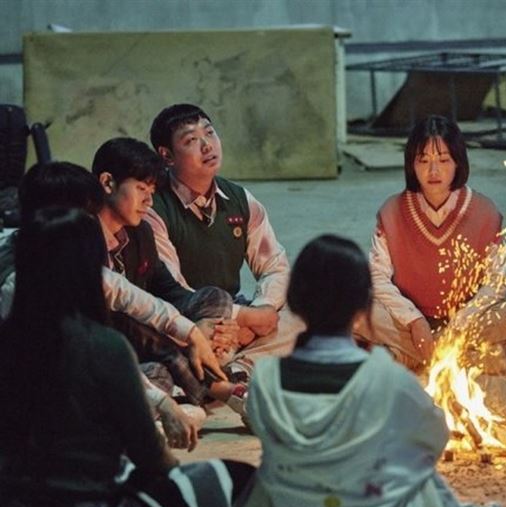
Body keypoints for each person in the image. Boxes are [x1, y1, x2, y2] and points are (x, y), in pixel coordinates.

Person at [224, 234, 506, 507]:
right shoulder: (389, 379)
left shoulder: (265, 381)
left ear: (295, 303)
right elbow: (435, 437)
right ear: (365, 307)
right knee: (422, 478)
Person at [0, 207, 254, 507]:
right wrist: (175, 480)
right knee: (238, 481)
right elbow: (150, 455)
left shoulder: (11, 338)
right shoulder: (102, 346)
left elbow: (150, 306)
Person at [0, 161, 208, 449]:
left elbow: (130, 296)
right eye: (88, 216)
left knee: (153, 371)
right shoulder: (19, 283)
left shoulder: (61, 259)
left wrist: (192, 333)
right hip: (35, 415)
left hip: (64, 394)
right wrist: (162, 405)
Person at [93, 137, 250, 418]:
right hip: (117, 344)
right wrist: (185, 336)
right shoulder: (81, 238)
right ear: (108, 183)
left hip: (154, 333)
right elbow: (111, 321)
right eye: (141, 189)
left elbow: (167, 287)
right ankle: (211, 383)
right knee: (156, 374)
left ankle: (190, 378)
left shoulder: (140, 232)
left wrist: (201, 327)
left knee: (216, 299)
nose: (149, 201)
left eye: (152, 191)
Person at [356, 115, 506, 373]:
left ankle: (409, 358)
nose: (433, 171)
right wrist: (415, 321)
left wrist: (459, 324)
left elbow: (497, 282)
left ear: (458, 162)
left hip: (465, 321)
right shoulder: (392, 211)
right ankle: (456, 359)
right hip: (407, 320)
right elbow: (377, 277)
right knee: (355, 312)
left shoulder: (484, 211)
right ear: (411, 164)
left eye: (444, 160)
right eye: (423, 160)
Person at [146, 103, 303, 358]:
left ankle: (239, 364)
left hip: (237, 313)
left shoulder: (239, 199)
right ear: (167, 156)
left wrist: (261, 309)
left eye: (210, 133)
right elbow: (174, 290)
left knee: (305, 319)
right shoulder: (153, 207)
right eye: (191, 140)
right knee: (198, 344)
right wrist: (246, 318)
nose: (207, 146)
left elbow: (275, 266)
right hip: (184, 318)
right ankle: (239, 360)